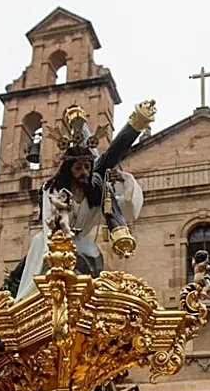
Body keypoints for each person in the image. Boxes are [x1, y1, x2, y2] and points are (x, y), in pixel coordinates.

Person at [12, 102, 150, 301]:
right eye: (78, 168)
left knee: (89, 253)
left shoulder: (93, 197)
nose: (84, 172)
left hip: (79, 251)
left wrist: (123, 180)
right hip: (51, 247)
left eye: (87, 167)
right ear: (69, 170)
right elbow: (54, 223)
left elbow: (125, 208)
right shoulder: (53, 189)